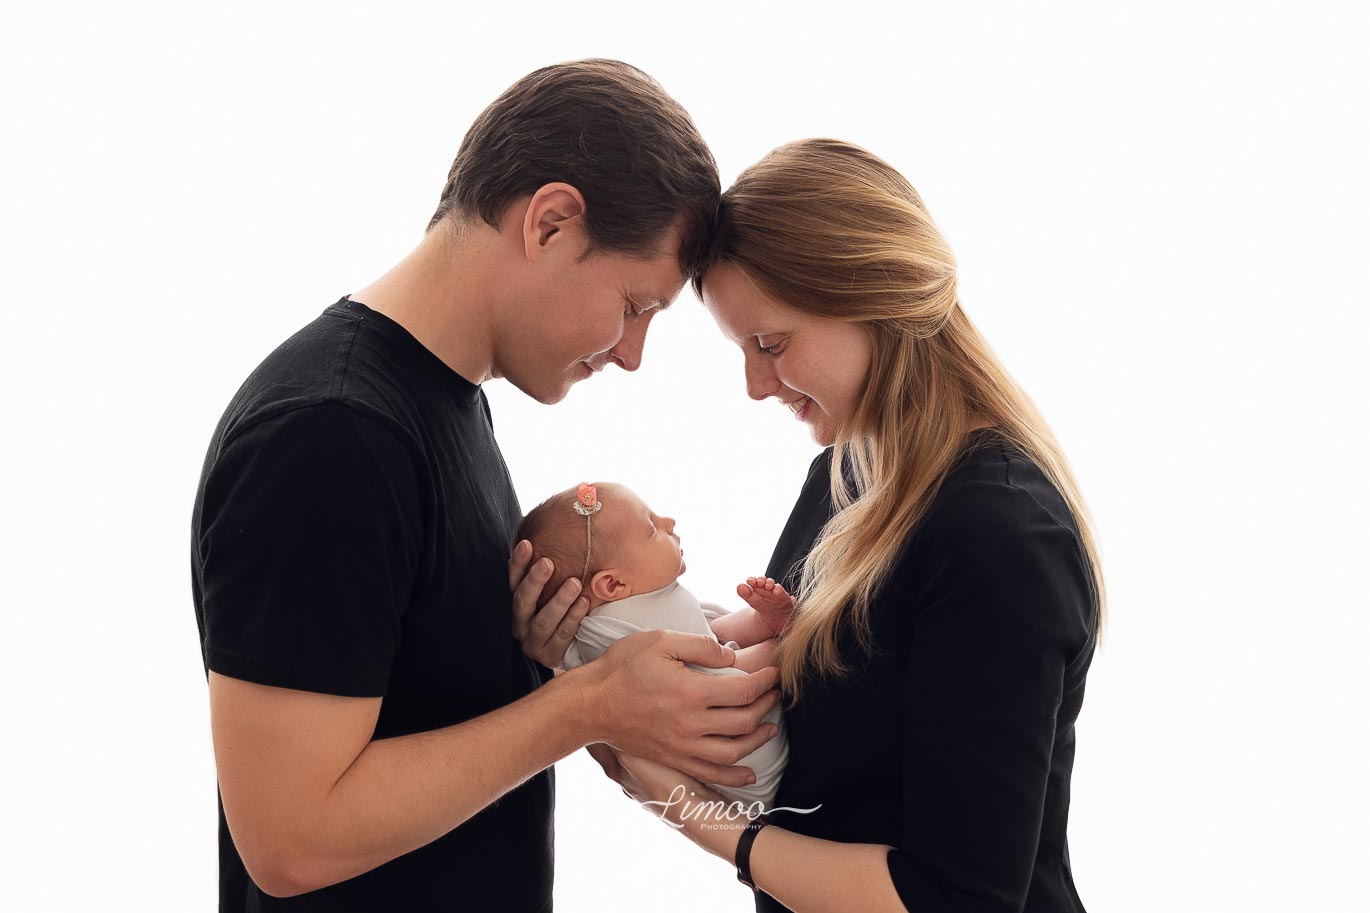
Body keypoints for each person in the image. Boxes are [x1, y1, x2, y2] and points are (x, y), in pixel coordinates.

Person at [188, 59, 782, 911]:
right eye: (635, 303)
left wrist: (535, 667)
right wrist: (585, 706)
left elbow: (413, 717)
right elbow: (290, 839)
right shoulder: (331, 433)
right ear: (551, 222)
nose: (631, 353)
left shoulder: (442, 405)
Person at [510, 139, 1105, 912]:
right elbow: (785, 701)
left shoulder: (999, 532)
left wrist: (693, 815)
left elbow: (958, 898)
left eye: (771, 344)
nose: (756, 386)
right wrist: (589, 659)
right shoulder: (842, 478)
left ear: (874, 294)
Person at [515, 481, 792, 805]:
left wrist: (756, 623)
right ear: (613, 583)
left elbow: (710, 634)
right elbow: (716, 678)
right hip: (748, 763)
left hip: (731, 752)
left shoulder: (632, 606)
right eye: (651, 528)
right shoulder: (620, 631)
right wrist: (783, 645)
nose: (668, 522)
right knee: (760, 655)